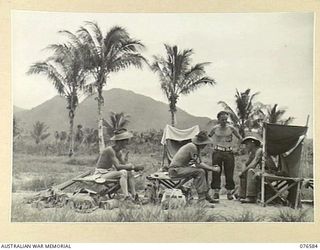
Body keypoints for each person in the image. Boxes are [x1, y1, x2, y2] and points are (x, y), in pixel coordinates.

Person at [168, 131, 221, 205]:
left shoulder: (196, 148)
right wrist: (213, 169)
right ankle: (201, 201)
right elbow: (199, 164)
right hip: (175, 170)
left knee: (204, 170)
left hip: (180, 169)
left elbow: (199, 162)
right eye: (205, 144)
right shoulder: (192, 147)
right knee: (200, 172)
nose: (205, 145)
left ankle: (206, 195)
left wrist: (210, 168)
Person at [94, 128, 142, 202]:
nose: (127, 142)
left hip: (108, 172)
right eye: (126, 140)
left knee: (130, 172)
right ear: (120, 142)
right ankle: (126, 197)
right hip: (100, 174)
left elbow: (124, 164)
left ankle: (134, 195)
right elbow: (118, 167)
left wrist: (133, 167)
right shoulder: (110, 150)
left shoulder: (118, 152)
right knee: (123, 172)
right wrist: (133, 167)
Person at [209, 111, 242, 202]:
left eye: (226, 119)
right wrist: (211, 147)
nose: (224, 121)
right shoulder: (215, 129)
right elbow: (208, 138)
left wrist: (237, 148)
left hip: (229, 152)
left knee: (229, 173)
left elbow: (240, 138)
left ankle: (229, 192)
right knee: (216, 172)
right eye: (222, 119)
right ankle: (216, 192)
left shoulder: (231, 128)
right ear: (218, 119)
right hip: (217, 152)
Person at [238, 136, 263, 203]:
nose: (246, 146)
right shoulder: (252, 153)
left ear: (253, 143)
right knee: (244, 173)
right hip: (262, 171)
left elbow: (253, 164)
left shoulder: (259, 150)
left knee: (250, 171)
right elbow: (245, 163)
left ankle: (251, 197)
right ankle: (242, 195)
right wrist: (242, 172)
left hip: (269, 171)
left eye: (247, 144)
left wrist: (243, 171)